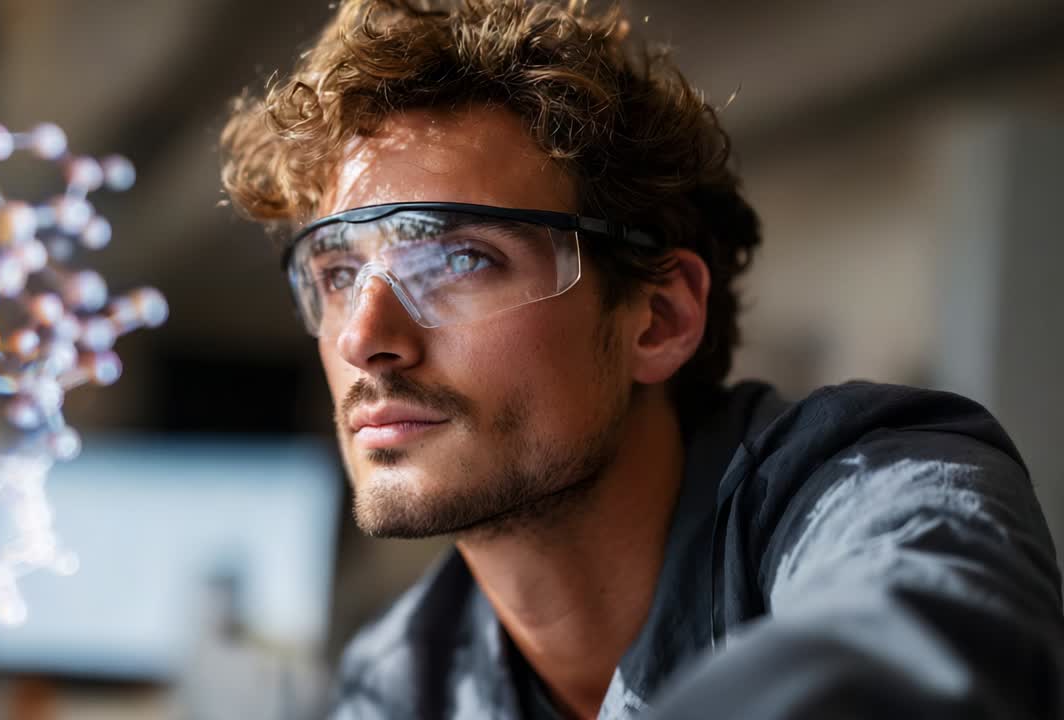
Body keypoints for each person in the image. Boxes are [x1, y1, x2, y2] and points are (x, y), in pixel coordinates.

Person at [218, 1, 1064, 717]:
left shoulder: (877, 483)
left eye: (459, 260)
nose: (363, 336)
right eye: (334, 273)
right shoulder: (402, 678)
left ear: (657, 318)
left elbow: (910, 647)